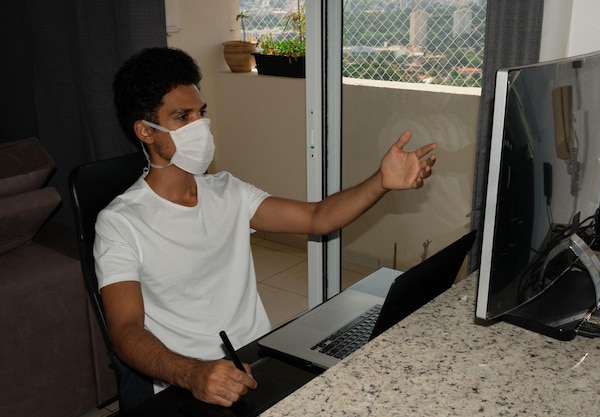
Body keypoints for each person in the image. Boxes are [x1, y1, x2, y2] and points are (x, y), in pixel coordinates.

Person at [95, 47, 436, 408]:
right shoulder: (120, 223)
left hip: (262, 361)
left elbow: (317, 217)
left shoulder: (227, 190)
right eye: (182, 116)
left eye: (201, 112)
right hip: (191, 385)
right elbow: (125, 330)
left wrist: (381, 181)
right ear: (146, 131)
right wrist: (191, 373)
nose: (200, 126)